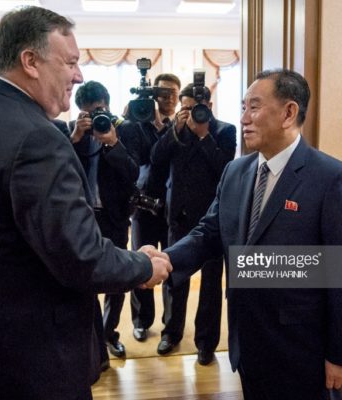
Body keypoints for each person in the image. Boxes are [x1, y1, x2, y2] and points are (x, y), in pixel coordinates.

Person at [0, 7, 171, 400]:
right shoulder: (36, 137)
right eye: (70, 62)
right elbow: (80, 257)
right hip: (25, 359)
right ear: (30, 62)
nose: (79, 75)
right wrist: (142, 264)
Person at [162, 69, 342, 399]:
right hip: (248, 343)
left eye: (254, 107)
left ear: (289, 112)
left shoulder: (332, 179)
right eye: (243, 107)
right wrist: (164, 260)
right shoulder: (236, 171)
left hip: (304, 350)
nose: (243, 117)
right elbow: (210, 232)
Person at [150, 84, 236, 364]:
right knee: (174, 278)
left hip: (211, 220)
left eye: (195, 108)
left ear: (209, 107)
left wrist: (204, 136)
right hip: (179, 215)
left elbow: (226, 169)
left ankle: (206, 343)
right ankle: (171, 333)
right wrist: (176, 130)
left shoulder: (225, 131)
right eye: (184, 107)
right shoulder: (175, 130)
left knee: (211, 285)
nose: (189, 113)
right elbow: (156, 159)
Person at [67, 81, 139, 360]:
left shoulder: (125, 129)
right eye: (88, 112)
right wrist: (74, 138)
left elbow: (133, 172)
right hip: (82, 218)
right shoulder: (71, 132)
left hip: (115, 216)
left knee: (117, 278)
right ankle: (94, 341)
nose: (95, 116)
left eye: (98, 110)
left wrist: (113, 143)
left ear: (107, 105)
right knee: (85, 279)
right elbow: (60, 169)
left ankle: (109, 333)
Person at [123, 73, 182, 342]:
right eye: (162, 93)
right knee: (141, 263)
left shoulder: (185, 125)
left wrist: (168, 128)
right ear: (154, 96)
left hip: (174, 208)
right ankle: (141, 320)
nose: (167, 98)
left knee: (171, 268)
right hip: (144, 205)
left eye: (173, 93)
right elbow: (142, 158)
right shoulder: (138, 122)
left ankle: (171, 328)